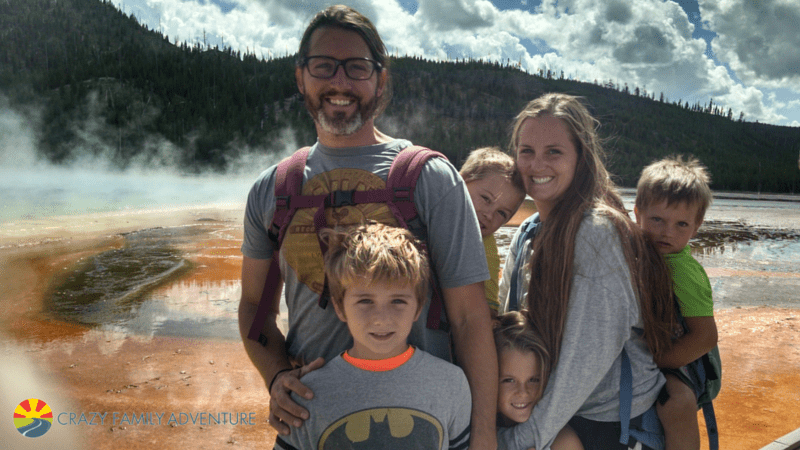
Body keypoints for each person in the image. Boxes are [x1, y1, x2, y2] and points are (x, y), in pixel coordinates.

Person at [237, 5, 497, 448]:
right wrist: (276, 375)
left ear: (380, 80)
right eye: (323, 65)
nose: (339, 81)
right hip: (315, 421)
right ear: (301, 77)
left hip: (423, 422)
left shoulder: (432, 178)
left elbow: (470, 319)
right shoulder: (272, 189)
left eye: (357, 67)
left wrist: (484, 436)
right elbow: (254, 308)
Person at [497, 93, 676, 450]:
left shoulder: (596, 234)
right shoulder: (528, 232)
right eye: (526, 151)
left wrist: (514, 441)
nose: (537, 164)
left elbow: (578, 366)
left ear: (581, 158)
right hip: (548, 411)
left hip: (607, 425)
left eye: (554, 152)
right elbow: (507, 331)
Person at [273, 222, 472, 450]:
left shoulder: (451, 383)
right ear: (340, 308)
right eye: (365, 301)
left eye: (398, 301)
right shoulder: (308, 394)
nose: (381, 318)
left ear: (418, 308)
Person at [634, 156, 718, 450]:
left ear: (696, 227)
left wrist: (657, 361)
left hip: (679, 357)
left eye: (681, 224)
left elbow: (705, 336)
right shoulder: (639, 253)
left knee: (677, 402)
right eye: (657, 219)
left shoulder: (683, 272)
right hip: (648, 349)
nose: (667, 232)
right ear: (637, 213)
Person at [493, 311, 584, 450]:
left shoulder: (564, 441)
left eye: (533, 380)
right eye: (509, 380)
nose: (523, 392)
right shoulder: (472, 433)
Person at [460, 147, 526, 315]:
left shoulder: (486, 249)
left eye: (501, 213)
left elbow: (490, 307)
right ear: (462, 180)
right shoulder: (429, 212)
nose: (489, 215)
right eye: (486, 199)